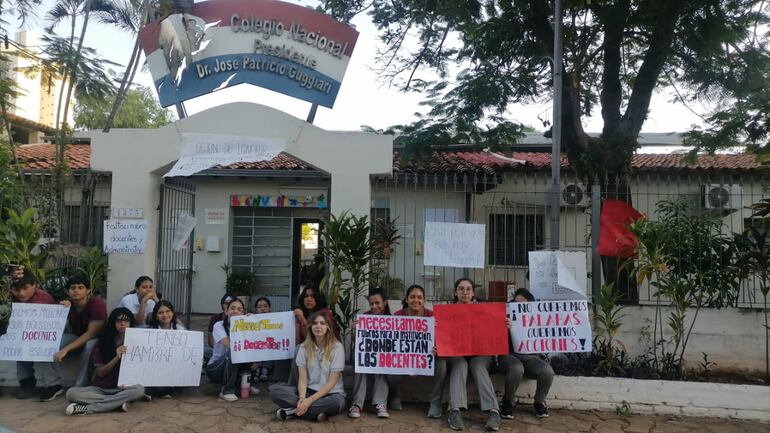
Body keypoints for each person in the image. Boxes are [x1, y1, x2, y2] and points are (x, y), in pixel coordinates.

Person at [64, 308, 147, 415]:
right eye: (118, 321)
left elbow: (140, 370)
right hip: (100, 388)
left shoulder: (136, 342)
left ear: (130, 322)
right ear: (113, 322)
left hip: (123, 389)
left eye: (126, 320)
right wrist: (117, 357)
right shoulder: (102, 342)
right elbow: (100, 372)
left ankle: (88, 409)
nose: (122, 323)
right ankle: (118, 402)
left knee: (139, 389)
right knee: (71, 393)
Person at [444, 278, 501, 431]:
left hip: (480, 353)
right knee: (460, 365)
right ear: (455, 292)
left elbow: (494, 330)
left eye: (468, 289)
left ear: (473, 292)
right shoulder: (446, 312)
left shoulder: (485, 310)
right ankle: (455, 410)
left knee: (477, 366)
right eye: (461, 289)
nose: (465, 292)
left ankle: (493, 411)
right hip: (457, 354)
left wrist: (504, 325)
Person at [269, 311, 346, 422]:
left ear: (328, 327)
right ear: (310, 327)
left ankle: (292, 412)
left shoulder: (337, 348)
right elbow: (303, 379)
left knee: (337, 403)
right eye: (315, 323)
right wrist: (302, 398)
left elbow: (332, 382)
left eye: (322, 323)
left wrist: (309, 401)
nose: (318, 326)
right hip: (308, 391)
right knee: (275, 392)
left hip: (332, 394)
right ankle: (315, 413)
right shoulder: (304, 347)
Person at [498, 288, 554, 419]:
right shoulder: (505, 318)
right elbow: (496, 339)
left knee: (547, 371)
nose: (519, 307)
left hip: (529, 358)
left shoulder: (537, 319)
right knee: (516, 368)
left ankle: (539, 402)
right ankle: (508, 403)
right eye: (515, 303)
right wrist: (504, 328)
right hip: (509, 356)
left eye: (523, 305)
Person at [10, 274, 64, 401]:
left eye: (25, 288)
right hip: (26, 332)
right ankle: (26, 383)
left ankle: (53, 385)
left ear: (34, 285)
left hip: (49, 334)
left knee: (45, 345)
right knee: (17, 344)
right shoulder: (11, 296)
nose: (21, 293)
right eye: (17, 290)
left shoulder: (42, 299)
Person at [394, 285, 442, 418]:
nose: (416, 300)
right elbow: (392, 343)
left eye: (420, 297)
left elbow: (439, 339)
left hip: (427, 359)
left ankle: (435, 402)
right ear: (407, 299)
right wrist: (410, 365)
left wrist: (437, 348)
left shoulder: (431, 316)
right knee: (388, 360)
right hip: (403, 357)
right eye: (412, 297)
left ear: (424, 300)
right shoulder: (398, 315)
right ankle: (395, 395)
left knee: (442, 364)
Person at [55, 276, 108, 387]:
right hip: (76, 338)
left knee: (90, 345)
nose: (76, 290)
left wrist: (65, 349)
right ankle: (52, 385)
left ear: (88, 290)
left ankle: (80, 385)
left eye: (80, 287)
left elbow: (91, 334)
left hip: (99, 341)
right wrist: (60, 311)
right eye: (73, 288)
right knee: (52, 343)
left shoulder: (97, 304)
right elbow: (55, 328)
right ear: (67, 291)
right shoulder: (67, 305)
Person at [349, 288, 393, 419]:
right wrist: (356, 331)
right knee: (359, 357)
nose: (374, 306)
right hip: (366, 354)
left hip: (383, 355)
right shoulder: (365, 318)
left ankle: (380, 403)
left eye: (377, 303)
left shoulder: (393, 320)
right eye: (371, 303)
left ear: (385, 302)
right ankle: (357, 404)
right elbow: (357, 343)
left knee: (384, 359)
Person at [206, 298, 258, 401]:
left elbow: (255, 344)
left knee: (252, 354)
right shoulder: (219, 325)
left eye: (239, 309)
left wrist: (251, 322)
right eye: (232, 308)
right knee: (234, 352)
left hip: (234, 367)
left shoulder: (245, 326)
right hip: (216, 369)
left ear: (243, 313)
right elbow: (229, 345)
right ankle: (226, 391)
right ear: (226, 311)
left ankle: (245, 385)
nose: (236, 311)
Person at [147, 300, 185, 398]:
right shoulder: (148, 332)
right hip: (154, 370)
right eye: (160, 312)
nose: (165, 315)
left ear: (172, 313)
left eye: (168, 311)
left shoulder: (180, 330)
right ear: (156, 315)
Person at [253, 297, 273, 382]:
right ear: (256, 309)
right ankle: (257, 370)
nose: (262, 308)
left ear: (269, 308)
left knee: (270, 348)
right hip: (257, 345)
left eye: (265, 306)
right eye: (259, 306)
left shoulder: (275, 320)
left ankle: (265, 370)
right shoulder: (252, 320)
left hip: (270, 344)